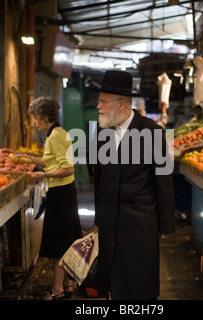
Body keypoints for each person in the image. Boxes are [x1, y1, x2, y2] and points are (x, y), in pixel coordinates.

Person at [92, 70, 175, 300]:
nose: (98, 106)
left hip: (140, 221)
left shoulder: (152, 131)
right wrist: (99, 218)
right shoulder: (101, 132)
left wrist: (166, 223)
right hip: (110, 220)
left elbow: (164, 178)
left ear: (121, 104)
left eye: (103, 102)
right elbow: (98, 179)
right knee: (113, 280)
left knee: (140, 281)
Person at [26, 96, 82, 300]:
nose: (34, 122)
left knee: (59, 243)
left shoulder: (58, 135)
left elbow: (67, 169)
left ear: (44, 117)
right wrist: (27, 158)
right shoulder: (54, 134)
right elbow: (51, 161)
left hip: (62, 194)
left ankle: (56, 288)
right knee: (63, 239)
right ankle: (66, 283)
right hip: (61, 193)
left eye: (36, 118)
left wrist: (44, 175)